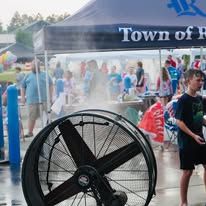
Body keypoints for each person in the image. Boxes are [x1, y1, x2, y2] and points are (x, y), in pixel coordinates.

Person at [175, 69, 206, 206]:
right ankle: (184, 202)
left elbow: (199, 117)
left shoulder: (200, 99)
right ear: (188, 81)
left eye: (202, 80)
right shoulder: (183, 100)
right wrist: (193, 135)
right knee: (188, 171)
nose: (201, 83)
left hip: (199, 138)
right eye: (198, 80)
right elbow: (179, 122)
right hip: (187, 140)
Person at [21, 59, 53, 138]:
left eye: (36, 65)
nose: (34, 67)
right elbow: (23, 87)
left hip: (45, 99)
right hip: (32, 100)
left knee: (48, 115)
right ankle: (30, 132)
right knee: (32, 117)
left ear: (39, 66)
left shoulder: (45, 74)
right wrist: (23, 97)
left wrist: (50, 97)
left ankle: (51, 130)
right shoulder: (27, 75)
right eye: (33, 65)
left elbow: (51, 85)